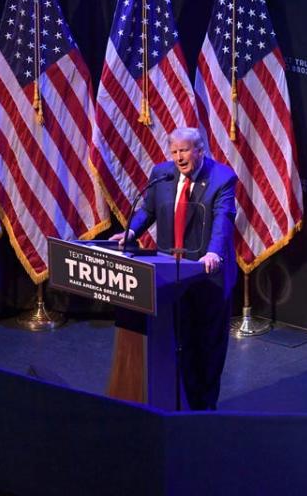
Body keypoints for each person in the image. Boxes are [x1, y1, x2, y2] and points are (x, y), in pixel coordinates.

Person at [111, 127, 238, 410]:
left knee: (207, 346)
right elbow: (148, 210)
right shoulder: (162, 174)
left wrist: (213, 253)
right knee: (179, 342)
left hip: (208, 277)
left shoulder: (222, 178)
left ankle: (204, 410)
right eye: (175, 151)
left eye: (185, 150)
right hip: (172, 276)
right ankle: (177, 404)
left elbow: (223, 220)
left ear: (200, 150)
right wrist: (131, 232)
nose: (179, 157)